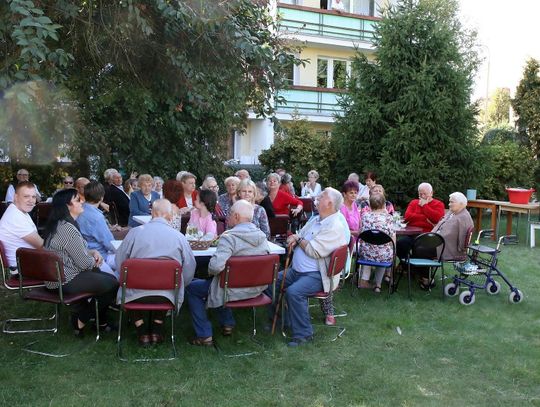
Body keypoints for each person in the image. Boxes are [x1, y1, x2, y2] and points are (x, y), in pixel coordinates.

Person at [269, 187, 347, 347]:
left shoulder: (334, 226)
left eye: (322, 196)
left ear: (330, 203)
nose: (318, 197)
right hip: (297, 271)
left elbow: (313, 250)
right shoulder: (316, 219)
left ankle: (304, 334)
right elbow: (301, 234)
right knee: (271, 282)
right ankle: (284, 321)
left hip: (318, 275)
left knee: (294, 292)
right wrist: (296, 237)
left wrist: (297, 240)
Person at [186, 200, 270, 346]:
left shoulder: (229, 237)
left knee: (192, 288)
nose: (227, 216)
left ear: (236, 216)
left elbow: (215, 267)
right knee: (219, 282)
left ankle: (204, 334)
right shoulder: (262, 237)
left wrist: (210, 268)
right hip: (256, 288)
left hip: (230, 290)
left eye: (229, 213)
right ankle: (227, 323)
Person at [116, 199, 196, 345]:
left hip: (134, 294)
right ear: (171, 216)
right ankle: (157, 327)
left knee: (128, 286)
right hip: (167, 295)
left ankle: (141, 328)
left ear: (152, 213)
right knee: (164, 287)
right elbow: (190, 268)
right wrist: (180, 285)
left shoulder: (134, 233)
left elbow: (120, 262)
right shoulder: (179, 237)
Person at [43, 189, 118, 336]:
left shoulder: (63, 224)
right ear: (67, 206)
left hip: (61, 274)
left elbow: (75, 250)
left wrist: (93, 253)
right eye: (77, 200)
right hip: (63, 279)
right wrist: (95, 261)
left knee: (109, 279)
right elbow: (84, 264)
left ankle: (100, 322)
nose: (82, 201)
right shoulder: (67, 228)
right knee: (112, 284)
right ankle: (80, 319)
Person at [0, 181, 44, 277]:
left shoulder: (18, 211)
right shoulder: (15, 217)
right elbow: (42, 245)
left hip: (27, 263)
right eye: (26, 196)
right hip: (23, 269)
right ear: (15, 197)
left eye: (33, 197)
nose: (31, 200)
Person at [77, 181, 117, 278]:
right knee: (128, 262)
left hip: (84, 252)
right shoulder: (96, 217)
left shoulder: (78, 209)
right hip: (100, 256)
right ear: (102, 197)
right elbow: (109, 243)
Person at [357, 193, 396, 293]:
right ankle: (378, 285)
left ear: (370, 205)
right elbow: (392, 238)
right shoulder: (389, 218)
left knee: (377, 248)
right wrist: (394, 251)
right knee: (384, 250)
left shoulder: (364, 217)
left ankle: (367, 281)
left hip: (365, 254)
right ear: (384, 205)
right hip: (383, 255)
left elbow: (360, 233)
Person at [432, 192, 474, 261]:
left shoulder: (464, 217)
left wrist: (461, 252)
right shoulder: (452, 212)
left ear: (461, 204)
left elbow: (463, 240)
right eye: (449, 202)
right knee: (416, 246)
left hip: (445, 248)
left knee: (419, 250)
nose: (449, 204)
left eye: (452, 202)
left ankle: (419, 271)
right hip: (436, 241)